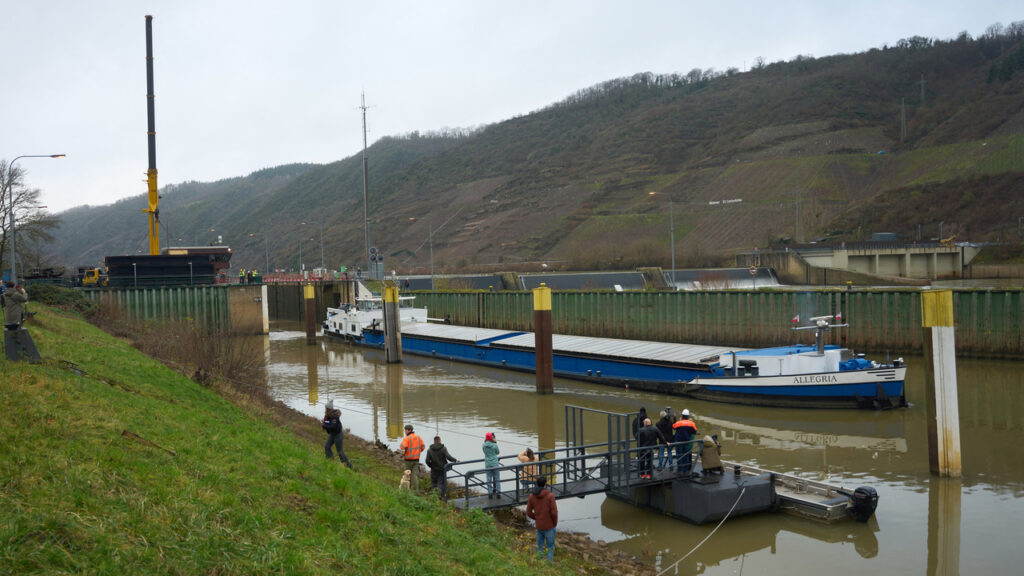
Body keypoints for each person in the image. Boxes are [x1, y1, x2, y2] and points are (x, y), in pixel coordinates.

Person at [526, 476, 558, 562]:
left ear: (537, 484)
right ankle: (549, 566)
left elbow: (528, 512)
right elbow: (554, 512)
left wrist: (537, 518)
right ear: (545, 485)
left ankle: (540, 566)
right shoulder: (550, 496)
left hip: (539, 526)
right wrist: (554, 523)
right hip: (549, 526)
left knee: (540, 547)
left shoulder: (532, 496)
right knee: (550, 547)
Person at [321, 400, 353, 469]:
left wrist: (324, 426)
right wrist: (324, 424)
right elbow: (327, 423)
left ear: (329, 409)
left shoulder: (334, 417)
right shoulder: (327, 416)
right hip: (332, 434)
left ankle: (348, 466)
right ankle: (330, 461)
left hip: (338, 435)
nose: (325, 409)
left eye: (326, 408)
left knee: (340, 452)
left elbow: (333, 426)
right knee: (327, 447)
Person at [399, 424, 426, 491]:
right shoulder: (418, 437)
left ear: (409, 430)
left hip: (408, 460)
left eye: (405, 430)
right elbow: (423, 447)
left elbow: (402, 447)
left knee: (407, 475)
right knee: (415, 476)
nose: (405, 431)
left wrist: (404, 450)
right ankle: (416, 490)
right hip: (416, 460)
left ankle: (408, 489)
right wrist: (417, 452)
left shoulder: (407, 438)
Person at [672, 409, 698, 474]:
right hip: (687, 441)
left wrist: (675, 419)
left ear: (682, 415)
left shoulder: (679, 423)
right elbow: (694, 431)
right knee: (686, 455)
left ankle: (680, 469)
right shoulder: (692, 423)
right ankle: (685, 470)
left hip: (679, 441)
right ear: (688, 416)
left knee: (679, 455)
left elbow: (673, 427)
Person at [482, 432, 500, 499]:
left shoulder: (483, 445)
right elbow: (498, 452)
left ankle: (490, 494)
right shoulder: (494, 445)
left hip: (488, 464)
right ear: (491, 437)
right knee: (497, 479)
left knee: (488, 479)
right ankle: (498, 493)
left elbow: (484, 452)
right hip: (495, 463)